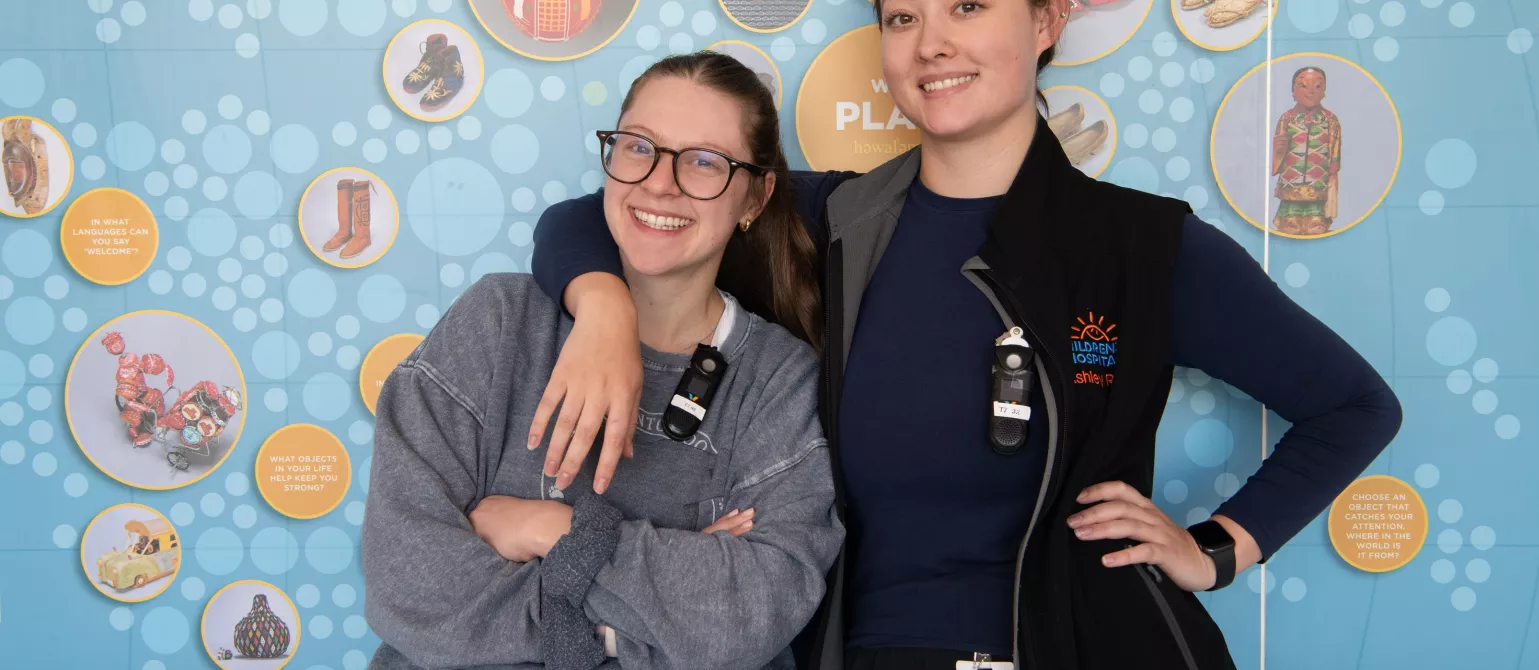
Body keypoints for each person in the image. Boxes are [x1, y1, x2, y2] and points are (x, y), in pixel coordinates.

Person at [528, 0, 1403, 668]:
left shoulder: (1141, 249)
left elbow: (1354, 406)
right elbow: (602, 212)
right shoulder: (833, 222)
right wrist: (601, 310)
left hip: (1085, 644)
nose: (931, 42)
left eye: (969, 6)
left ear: (1049, 20)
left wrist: (1216, 549)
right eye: (903, 15)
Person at [361, 52, 844, 670]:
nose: (659, 183)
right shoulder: (497, 323)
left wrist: (553, 529)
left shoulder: (779, 383)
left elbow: (749, 615)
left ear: (756, 196)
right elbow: (410, 585)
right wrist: (641, 619)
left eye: (704, 162)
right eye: (639, 147)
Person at [1271, 66, 1341, 236]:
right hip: (1290, 181)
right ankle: (1291, 216)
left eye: (1317, 87)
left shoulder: (1330, 120)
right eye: (1303, 86)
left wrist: (1333, 175)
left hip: (1318, 182)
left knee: (1316, 224)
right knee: (1290, 224)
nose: (1310, 92)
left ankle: (1316, 216)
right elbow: (1277, 153)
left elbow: (1334, 150)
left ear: (1324, 91)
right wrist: (1279, 149)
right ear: (1293, 91)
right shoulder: (1287, 119)